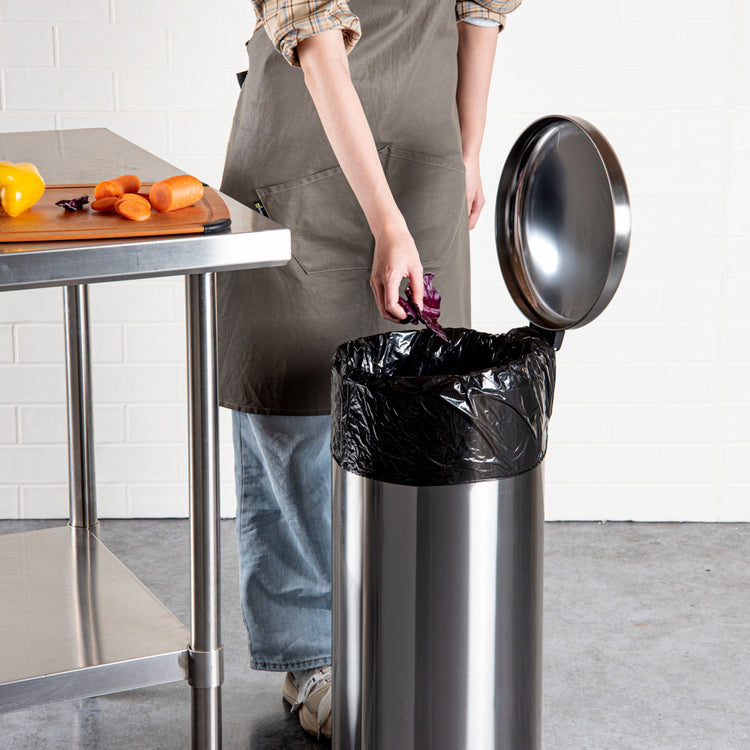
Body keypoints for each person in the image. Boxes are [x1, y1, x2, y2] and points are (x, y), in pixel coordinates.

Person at [218, 0, 522, 740]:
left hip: (422, 160)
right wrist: (388, 224)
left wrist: (467, 150)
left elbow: (482, 10)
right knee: (293, 408)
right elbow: (317, 41)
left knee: (428, 411)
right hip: (301, 153)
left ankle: (413, 632)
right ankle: (312, 657)